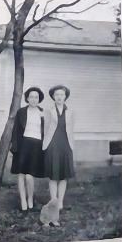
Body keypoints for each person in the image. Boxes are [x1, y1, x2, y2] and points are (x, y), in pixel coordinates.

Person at [39, 85, 75, 227]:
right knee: (53, 175)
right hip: (53, 144)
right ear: (53, 97)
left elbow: (71, 129)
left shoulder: (70, 112)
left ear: (65, 97)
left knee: (63, 175)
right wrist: (45, 144)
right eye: (57, 95)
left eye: (62, 94)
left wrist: (71, 145)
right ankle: (53, 200)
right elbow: (46, 128)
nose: (59, 97)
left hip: (66, 144)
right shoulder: (49, 111)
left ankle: (60, 202)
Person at [9, 86, 47, 212]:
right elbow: (15, 130)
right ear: (27, 98)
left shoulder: (43, 113)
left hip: (36, 145)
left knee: (30, 176)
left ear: (39, 99)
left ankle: (30, 198)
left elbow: (48, 131)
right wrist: (14, 146)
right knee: (21, 174)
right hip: (23, 144)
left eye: (36, 97)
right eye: (31, 97)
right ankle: (23, 201)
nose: (34, 99)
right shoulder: (21, 112)